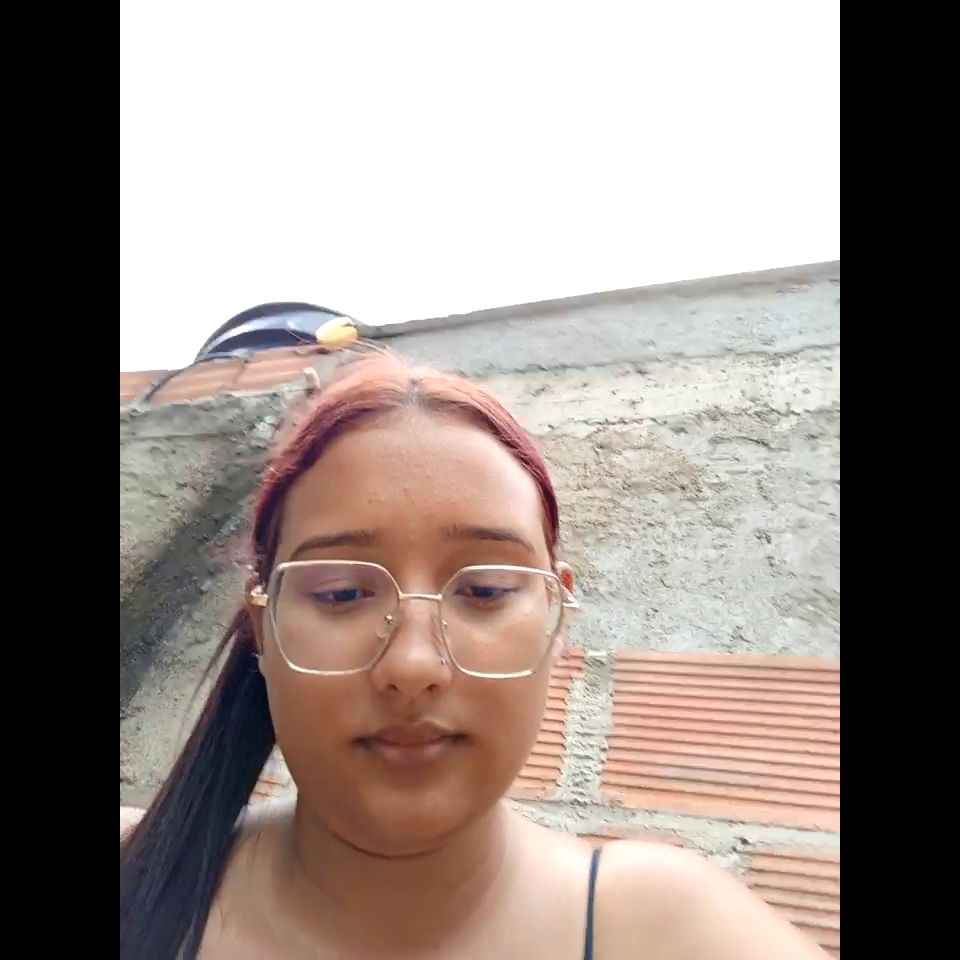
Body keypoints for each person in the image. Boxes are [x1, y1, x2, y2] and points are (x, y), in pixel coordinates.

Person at [120, 350, 828, 959]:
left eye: (485, 590)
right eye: (342, 593)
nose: (412, 666)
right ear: (263, 626)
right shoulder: (136, 876)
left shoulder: (667, 930)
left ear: (555, 616)